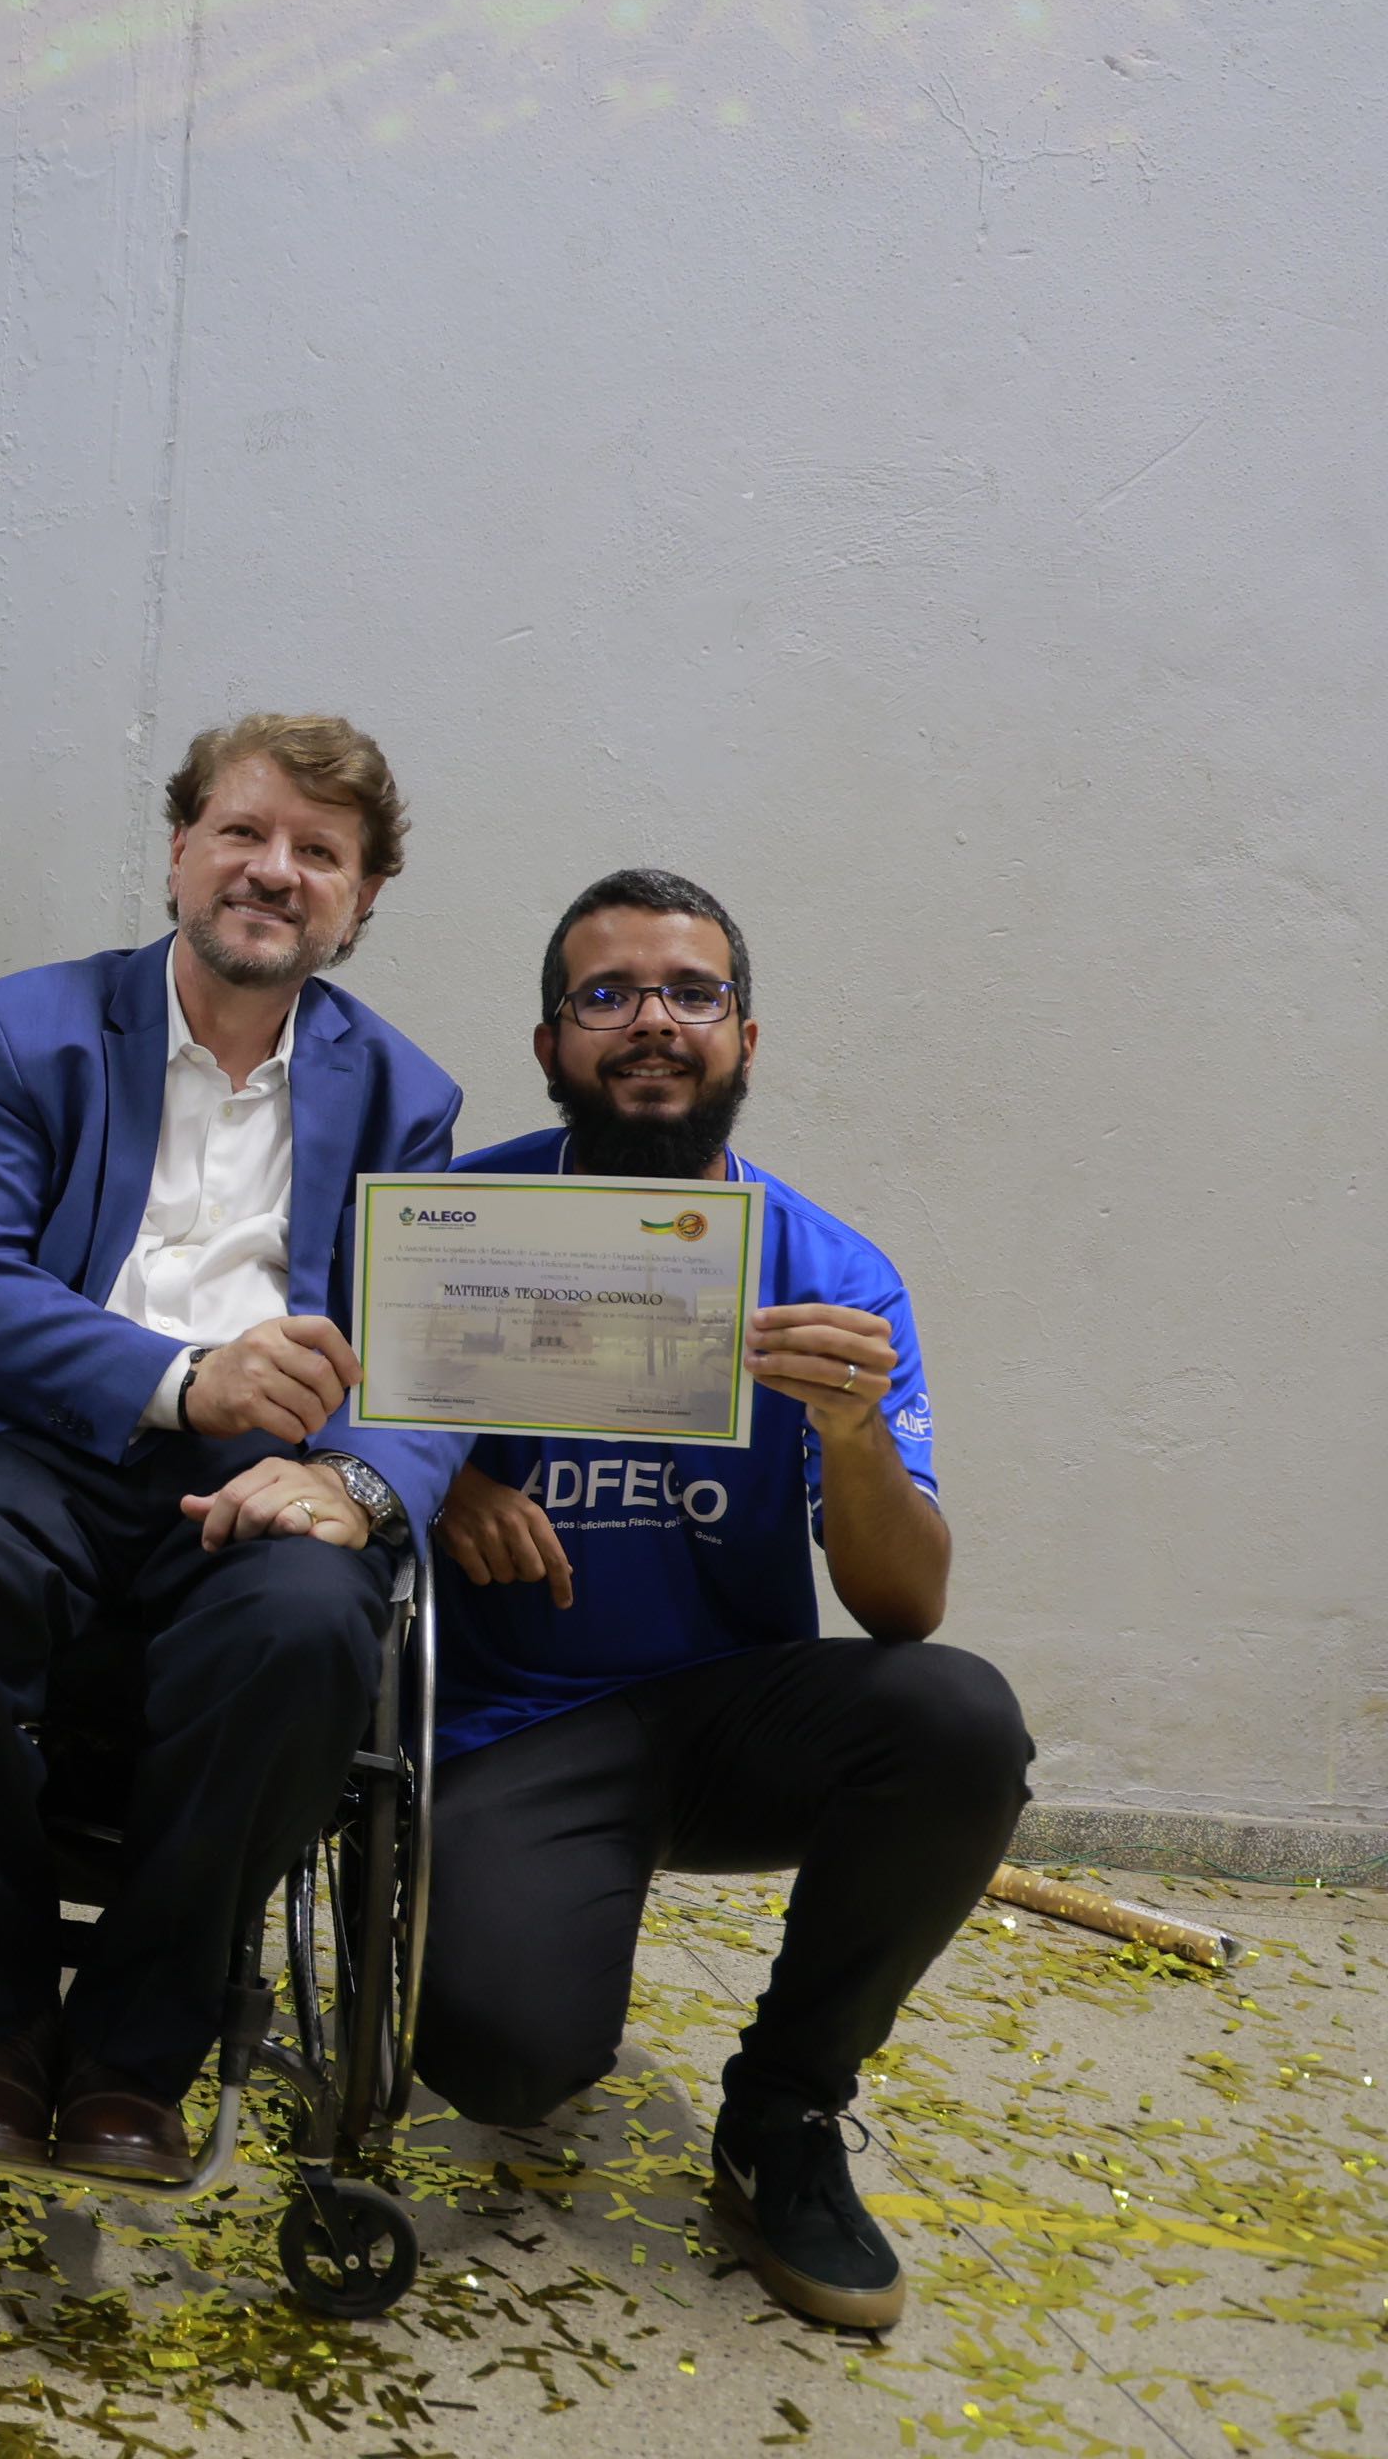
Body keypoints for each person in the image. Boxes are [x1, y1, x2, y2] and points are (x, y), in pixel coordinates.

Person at [0, 714, 465, 2180]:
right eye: (243, 832)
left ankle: (136, 2054)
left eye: (320, 853)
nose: (274, 870)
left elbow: (427, 1362)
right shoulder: (21, 1031)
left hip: (264, 1480)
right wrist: (185, 1378)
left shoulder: (405, 1098)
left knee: (313, 1626)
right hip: (29, 1437)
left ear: (363, 898)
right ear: (181, 850)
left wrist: (354, 1481)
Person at [416, 867, 1028, 2332]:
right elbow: (332, 1443)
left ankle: (786, 2111)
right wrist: (434, 1484)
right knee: (507, 2069)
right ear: (551, 1042)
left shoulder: (833, 1274)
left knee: (958, 1718)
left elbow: (906, 1608)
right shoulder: (454, 1225)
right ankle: (526, 1925)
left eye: (693, 993)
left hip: (729, 1714)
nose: (653, 1021)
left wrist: (851, 1436)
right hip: (509, 1725)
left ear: (745, 1038)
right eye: (608, 994)